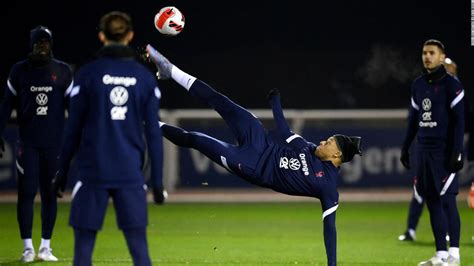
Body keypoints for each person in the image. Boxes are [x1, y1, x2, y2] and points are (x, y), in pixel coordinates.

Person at [145, 44, 362, 266]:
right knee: (220, 101)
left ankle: (147, 124)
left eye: (330, 142)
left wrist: (332, 265)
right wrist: (275, 103)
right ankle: (170, 71)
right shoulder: (308, 147)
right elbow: (284, 132)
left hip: (251, 165)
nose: (324, 141)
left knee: (196, 139)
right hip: (259, 138)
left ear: (337, 155)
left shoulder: (328, 187)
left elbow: (330, 228)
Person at [51, 11, 165, 266]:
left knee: (83, 251)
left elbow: (73, 129)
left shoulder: (87, 74)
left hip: (93, 172)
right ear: (130, 35)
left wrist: (61, 173)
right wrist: (157, 181)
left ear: (102, 36)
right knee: (139, 251)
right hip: (130, 174)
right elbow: (154, 133)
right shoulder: (144, 78)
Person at [0, 26, 73, 262]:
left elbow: (75, 109)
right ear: (31, 44)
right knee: (27, 193)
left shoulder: (62, 71)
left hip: (54, 145)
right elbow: (5, 106)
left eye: (45, 42)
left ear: (51, 45)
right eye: (38, 42)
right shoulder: (19, 71)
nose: (42, 46)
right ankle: (27, 248)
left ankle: (45, 247)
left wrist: (80, 135)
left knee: (50, 195)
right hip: (28, 144)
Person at [400, 40, 464, 266]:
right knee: (432, 202)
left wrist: (457, 151)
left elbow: (459, 122)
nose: (427, 56)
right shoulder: (418, 84)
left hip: (443, 151)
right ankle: (440, 254)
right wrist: (406, 146)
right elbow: (412, 120)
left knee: (448, 201)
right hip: (423, 151)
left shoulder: (451, 85)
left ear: (441, 56)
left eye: (432, 53)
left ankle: (454, 254)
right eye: (424, 53)